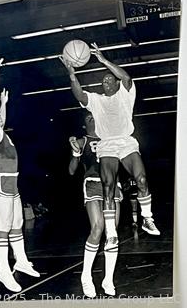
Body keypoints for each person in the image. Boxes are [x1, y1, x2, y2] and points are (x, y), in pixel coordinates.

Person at [61, 42, 160, 252]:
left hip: (126, 140)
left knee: (141, 179)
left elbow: (127, 78)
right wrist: (71, 73)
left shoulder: (126, 95)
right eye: (103, 80)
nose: (105, 81)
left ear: (115, 84)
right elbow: (79, 94)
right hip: (106, 145)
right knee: (108, 186)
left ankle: (147, 218)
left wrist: (104, 60)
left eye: (109, 79)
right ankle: (111, 234)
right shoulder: (96, 100)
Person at [0, 48, 40, 292]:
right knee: (3, 225)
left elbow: (0, 116)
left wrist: (5, 104)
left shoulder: (0, 131)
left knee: (17, 222)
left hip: (10, 182)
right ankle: (4, 271)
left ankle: (22, 261)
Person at [69, 111, 122, 297]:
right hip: (92, 183)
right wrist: (76, 152)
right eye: (88, 118)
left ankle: (108, 279)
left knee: (112, 232)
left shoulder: (111, 137)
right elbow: (71, 170)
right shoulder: (82, 140)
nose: (93, 119)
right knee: (98, 227)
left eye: (95, 116)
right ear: (84, 124)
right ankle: (86, 276)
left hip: (112, 185)